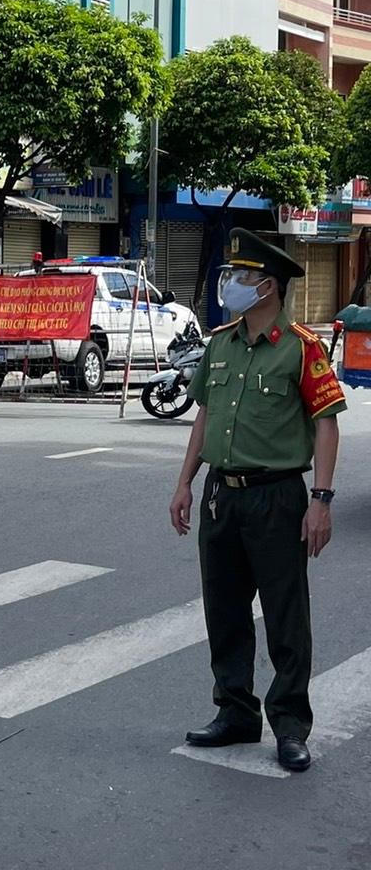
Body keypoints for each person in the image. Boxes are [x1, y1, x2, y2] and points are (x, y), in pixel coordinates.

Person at [169, 227, 345, 772]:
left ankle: (290, 726)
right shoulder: (221, 343)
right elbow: (204, 415)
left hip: (277, 498)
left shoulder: (301, 347)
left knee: (285, 616)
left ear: (268, 285)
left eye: (242, 275)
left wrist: (321, 500)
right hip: (222, 497)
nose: (232, 283)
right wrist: (185, 482)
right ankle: (236, 712)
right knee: (224, 610)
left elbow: (326, 424)